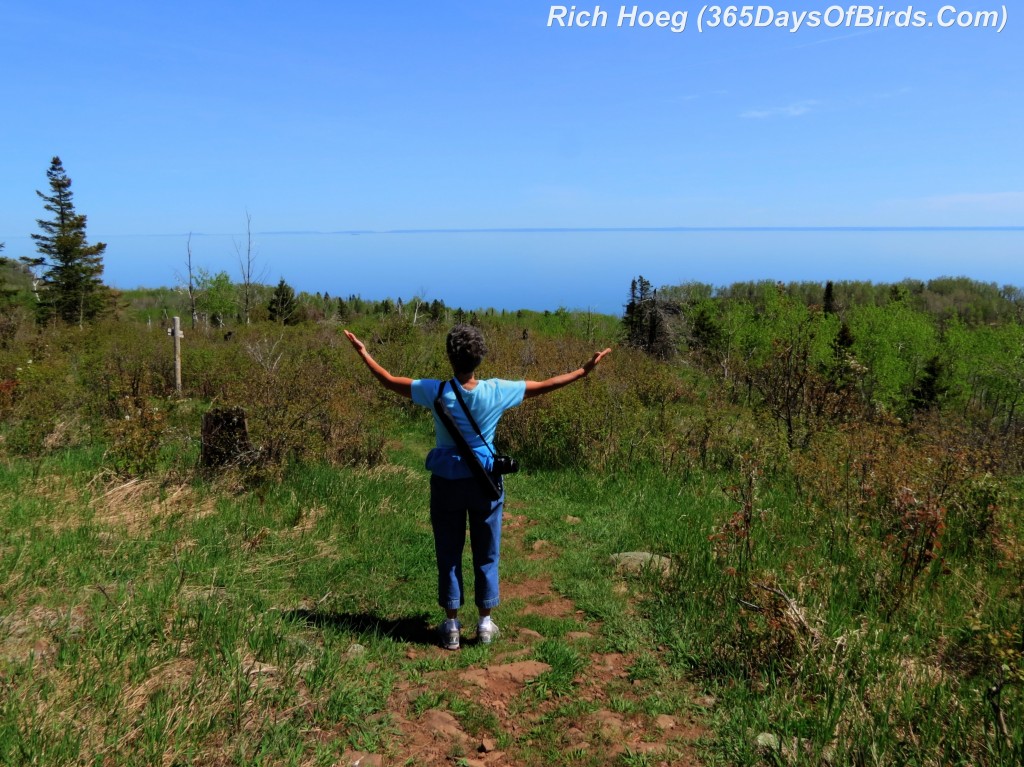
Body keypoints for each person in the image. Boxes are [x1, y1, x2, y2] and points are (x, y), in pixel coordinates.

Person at [344, 325, 611, 650]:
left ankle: (452, 626)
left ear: (450, 356)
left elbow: (388, 380)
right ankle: (485, 624)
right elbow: (543, 386)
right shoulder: (497, 391)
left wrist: (363, 352)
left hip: (446, 482)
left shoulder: (436, 391)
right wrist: (584, 370)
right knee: (487, 551)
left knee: (449, 551)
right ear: (480, 357)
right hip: (485, 481)